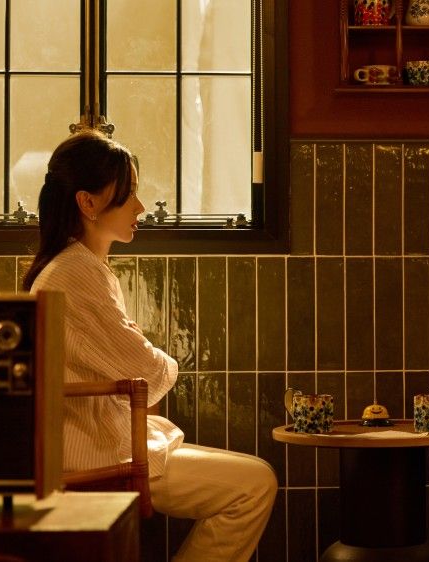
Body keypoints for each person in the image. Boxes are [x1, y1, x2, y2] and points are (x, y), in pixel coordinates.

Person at [23, 130, 276, 562]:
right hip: (92, 452)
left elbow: (134, 365)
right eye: (128, 194)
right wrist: (153, 353)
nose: (140, 207)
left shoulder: (75, 268)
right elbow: (152, 374)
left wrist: (138, 347)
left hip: (100, 440)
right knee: (254, 486)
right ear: (88, 203)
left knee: (252, 478)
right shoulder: (75, 274)